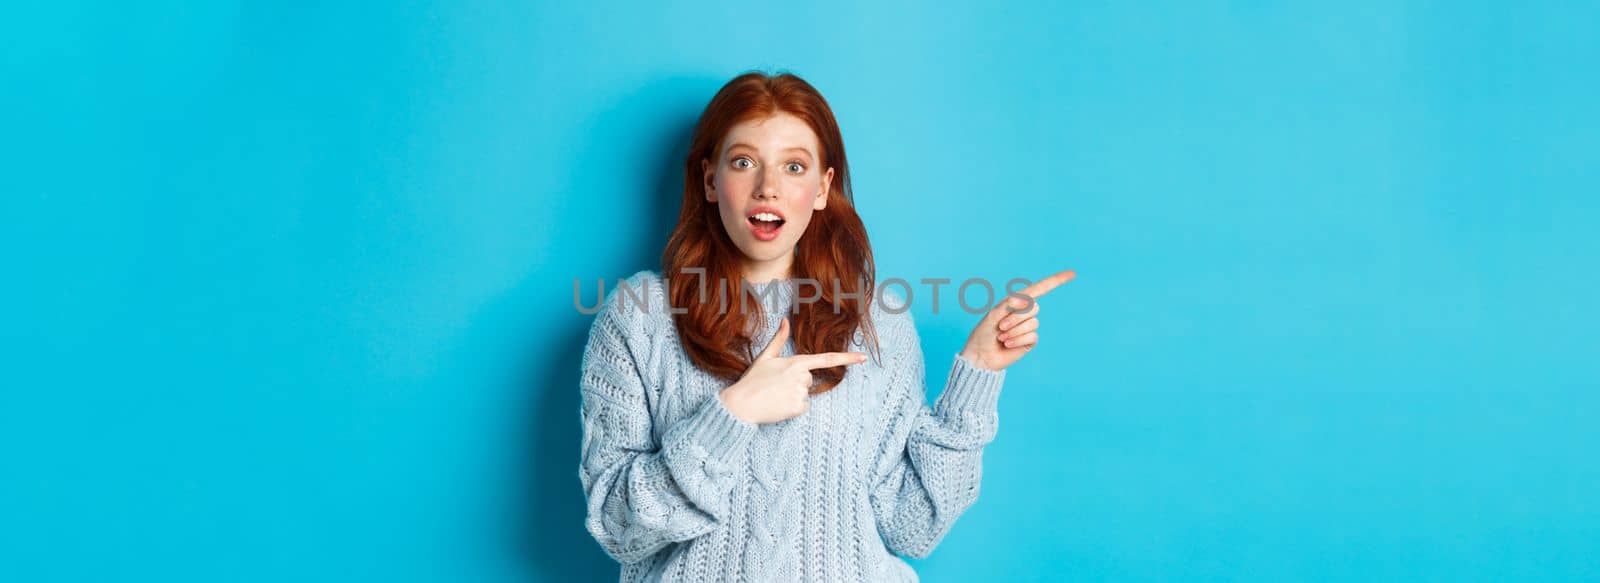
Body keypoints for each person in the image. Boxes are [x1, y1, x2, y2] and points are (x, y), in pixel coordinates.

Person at [578, 70, 1073, 582]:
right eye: (744, 162)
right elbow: (619, 531)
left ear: (822, 187)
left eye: (794, 166)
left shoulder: (877, 321)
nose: (768, 187)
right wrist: (733, 414)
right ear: (709, 179)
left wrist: (979, 374)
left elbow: (913, 526)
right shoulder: (640, 316)